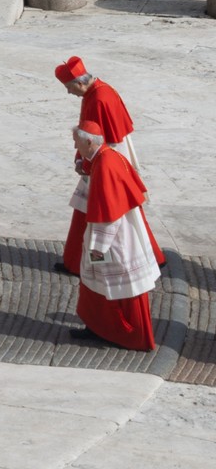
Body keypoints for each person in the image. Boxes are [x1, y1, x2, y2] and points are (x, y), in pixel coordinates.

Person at [71, 123, 162, 350]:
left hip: (114, 240)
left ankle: (127, 335)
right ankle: (97, 327)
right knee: (97, 285)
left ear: (89, 141)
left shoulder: (105, 167)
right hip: (122, 232)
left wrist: (97, 246)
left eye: (77, 142)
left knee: (116, 286)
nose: (74, 146)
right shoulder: (109, 156)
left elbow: (108, 213)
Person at [56, 56, 138, 276]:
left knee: (97, 214)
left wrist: (84, 161)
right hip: (105, 157)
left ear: (81, 83)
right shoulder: (100, 91)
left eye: (69, 87)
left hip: (104, 162)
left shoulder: (99, 99)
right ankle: (75, 261)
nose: (69, 92)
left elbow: (95, 138)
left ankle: (86, 263)